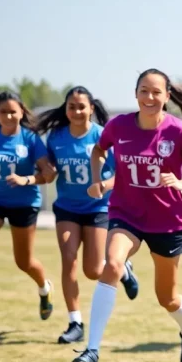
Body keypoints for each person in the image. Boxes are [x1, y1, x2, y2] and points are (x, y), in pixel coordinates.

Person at [70, 69, 182, 362]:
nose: (149, 97)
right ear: (136, 94)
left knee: (167, 298)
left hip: (168, 221)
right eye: (143, 91)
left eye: (156, 92)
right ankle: (92, 350)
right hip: (126, 214)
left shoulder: (178, 131)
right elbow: (99, 149)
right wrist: (98, 179)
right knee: (110, 264)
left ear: (167, 97)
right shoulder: (119, 125)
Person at [37, 86, 140, 345]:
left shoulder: (103, 136)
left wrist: (104, 185)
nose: (77, 111)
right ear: (66, 109)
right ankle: (75, 321)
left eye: (82, 106)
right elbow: (49, 169)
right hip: (67, 208)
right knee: (68, 259)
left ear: (91, 108)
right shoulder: (57, 137)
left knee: (94, 270)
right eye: (72, 107)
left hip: (98, 209)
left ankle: (124, 270)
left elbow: (124, 174)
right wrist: (46, 169)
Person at [0, 91, 56, 318]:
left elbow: (47, 175)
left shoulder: (30, 139)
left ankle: (44, 287)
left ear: (21, 112)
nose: (8, 116)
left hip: (24, 203)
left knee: (24, 261)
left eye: (13, 111)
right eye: (3, 112)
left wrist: (26, 179)